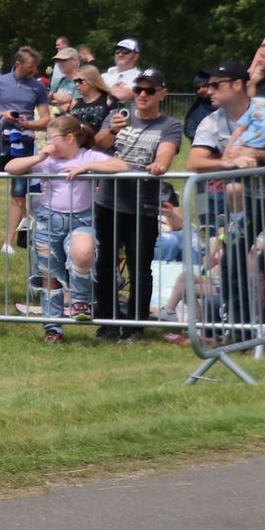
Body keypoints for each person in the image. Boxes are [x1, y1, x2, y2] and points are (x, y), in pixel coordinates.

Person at [188, 61, 265, 329]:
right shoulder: (211, 121)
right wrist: (228, 163)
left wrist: (257, 153)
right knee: (232, 260)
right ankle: (239, 327)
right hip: (245, 200)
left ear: (238, 85)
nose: (209, 91)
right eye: (208, 85)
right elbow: (193, 161)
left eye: (216, 85)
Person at [6, 116, 129, 343]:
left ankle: (81, 300)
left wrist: (88, 167)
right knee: (49, 274)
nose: (49, 142)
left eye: (52, 138)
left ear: (70, 138)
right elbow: (11, 167)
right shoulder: (48, 160)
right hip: (48, 220)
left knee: (83, 251)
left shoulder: (88, 156)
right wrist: (40, 155)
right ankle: (53, 328)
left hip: (83, 219)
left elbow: (121, 165)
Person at [90, 67, 182, 337]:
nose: (142, 94)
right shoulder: (117, 116)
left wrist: (160, 164)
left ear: (162, 94)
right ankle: (106, 323)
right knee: (105, 263)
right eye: (138, 89)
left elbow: (166, 153)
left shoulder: (170, 125)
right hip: (108, 202)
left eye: (149, 90)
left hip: (142, 206)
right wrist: (112, 131)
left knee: (139, 267)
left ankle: (135, 327)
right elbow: (97, 147)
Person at [0, 46, 52, 257]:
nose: (34, 70)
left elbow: (46, 119)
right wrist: (3, 114)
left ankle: (7, 243)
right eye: (30, 67)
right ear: (17, 64)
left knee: (18, 196)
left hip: (23, 143)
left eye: (35, 67)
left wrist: (29, 124)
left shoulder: (38, 87)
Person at [68, 66, 115, 134]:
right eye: (75, 81)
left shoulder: (109, 100)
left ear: (92, 80)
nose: (77, 84)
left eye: (80, 81)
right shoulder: (74, 102)